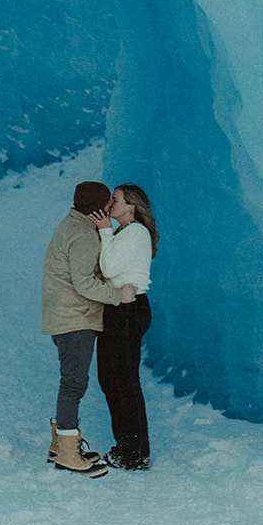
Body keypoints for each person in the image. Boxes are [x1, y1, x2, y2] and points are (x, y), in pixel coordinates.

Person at [41, 179, 135, 476]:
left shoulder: (73, 224)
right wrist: (117, 295)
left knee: (71, 381)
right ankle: (68, 453)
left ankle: (61, 444)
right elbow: (83, 282)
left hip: (68, 317)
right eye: (108, 201)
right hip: (75, 319)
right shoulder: (82, 234)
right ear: (98, 206)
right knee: (73, 383)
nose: (110, 205)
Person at [89, 183, 158, 470]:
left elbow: (109, 269)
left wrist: (104, 230)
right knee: (112, 379)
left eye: (115, 200)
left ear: (131, 206)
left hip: (128, 309)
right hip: (119, 308)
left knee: (123, 381)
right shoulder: (124, 232)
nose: (110, 203)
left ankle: (133, 452)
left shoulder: (136, 232)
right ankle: (130, 448)